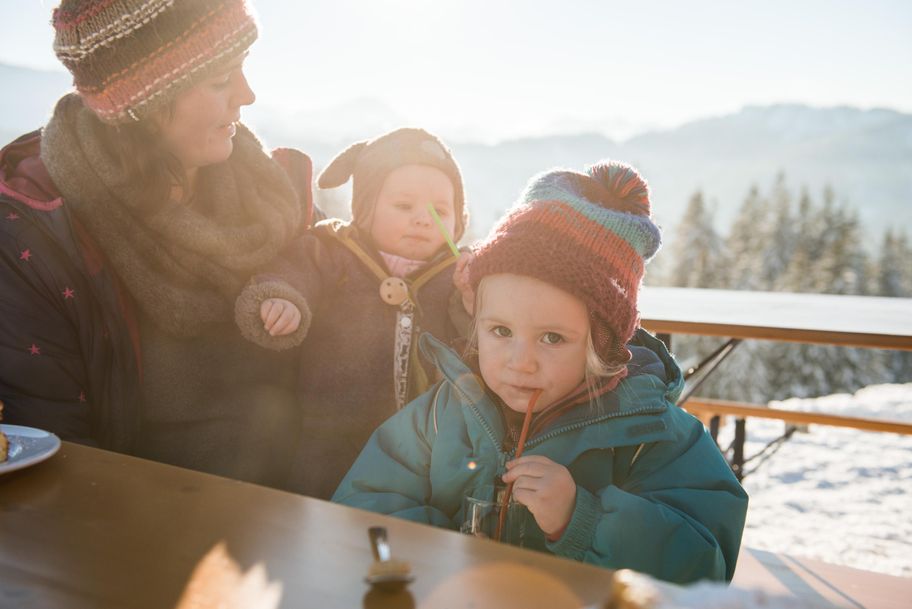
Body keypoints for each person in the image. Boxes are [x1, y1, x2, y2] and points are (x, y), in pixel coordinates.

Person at [333, 161, 748, 583]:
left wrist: (581, 518)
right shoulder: (442, 415)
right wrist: (449, 557)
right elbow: (364, 508)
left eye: (551, 338)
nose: (520, 360)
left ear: (601, 345)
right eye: (500, 331)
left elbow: (704, 566)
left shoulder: (652, 437)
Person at [0, 0, 314, 488]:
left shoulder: (263, 192)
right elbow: (58, 454)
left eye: (243, 70)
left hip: (289, 504)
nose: (247, 96)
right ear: (142, 104)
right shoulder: (38, 236)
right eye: (219, 81)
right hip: (135, 527)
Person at [233, 127, 471, 499]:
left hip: (423, 448)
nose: (423, 220)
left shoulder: (459, 278)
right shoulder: (333, 251)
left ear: (459, 220)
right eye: (404, 206)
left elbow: (482, 330)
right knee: (321, 514)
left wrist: (476, 300)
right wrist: (283, 299)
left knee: (410, 523)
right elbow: (292, 271)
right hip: (329, 434)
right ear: (365, 208)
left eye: (440, 211)